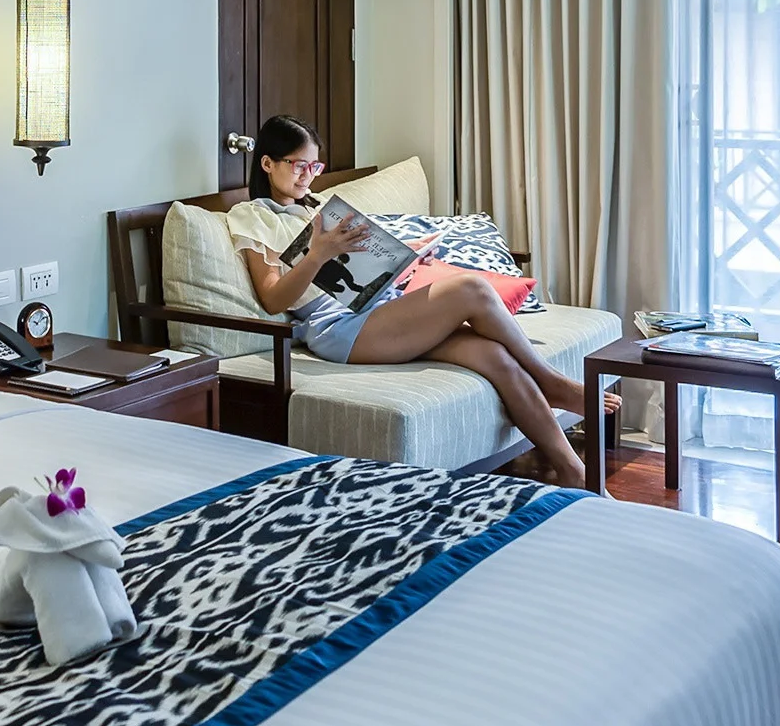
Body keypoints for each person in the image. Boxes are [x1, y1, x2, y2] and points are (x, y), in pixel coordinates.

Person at [226, 115, 593, 487]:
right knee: (473, 289)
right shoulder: (252, 216)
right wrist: (318, 255)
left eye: (314, 166)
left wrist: (405, 256)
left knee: (494, 357)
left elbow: (363, 267)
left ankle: (572, 472)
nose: (308, 175)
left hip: (377, 306)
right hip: (337, 327)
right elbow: (273, 299)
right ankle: (549, 381)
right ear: (267, 163)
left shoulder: (319, 208)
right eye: (298, 165)